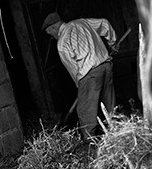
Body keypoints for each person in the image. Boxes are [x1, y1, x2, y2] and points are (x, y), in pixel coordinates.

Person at [42, 12, 118, 140]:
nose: (52, 36)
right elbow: (104, 23)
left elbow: (74, 70)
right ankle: (117, 133)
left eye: (50, 33)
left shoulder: (62, 43)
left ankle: (90, 142)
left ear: (54, 28)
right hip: (106, 66)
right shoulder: (82, 22)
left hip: (89, 74)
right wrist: (112, 42)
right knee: (109, 104)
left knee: (85, 111)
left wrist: (80, 87)